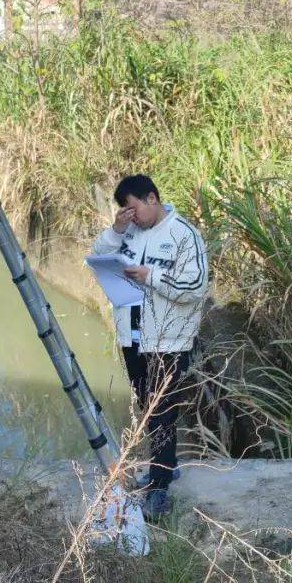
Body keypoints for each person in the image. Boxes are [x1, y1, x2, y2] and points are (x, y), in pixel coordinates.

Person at [90, 173, 209, 519]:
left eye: (133, 209)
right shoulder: (128, 231)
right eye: (124, 211)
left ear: (152, 198)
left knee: (161, 413)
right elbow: (99, 256)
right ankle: (166, 467)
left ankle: (158, 488)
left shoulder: (183, 234)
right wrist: (115, 230)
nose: (131, 216)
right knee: (148, 407)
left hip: (168, 340)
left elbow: (196, 285)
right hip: (133, 336)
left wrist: (151, 277)